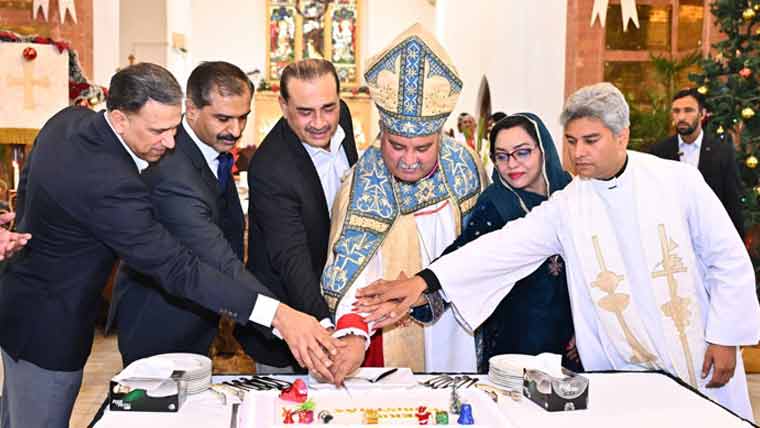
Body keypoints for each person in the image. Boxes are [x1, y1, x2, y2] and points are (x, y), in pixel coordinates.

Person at [356, 82, 760, 420]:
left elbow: (727, 260)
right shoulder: (570, 204)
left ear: (621, 135)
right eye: (571, 141)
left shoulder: (677, 182)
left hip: (695, 351)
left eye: (591, 140)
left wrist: (726, 337)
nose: (578, 152)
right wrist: (425, 280)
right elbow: (502, 247)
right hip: (624, 363)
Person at [0, 63, 341, 428]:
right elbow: (179, 267)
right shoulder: (112, 184)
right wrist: (278, 315)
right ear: (120, 119)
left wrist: (21, 223)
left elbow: (34, 179)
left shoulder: (69, 121)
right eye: (158, 131)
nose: (170, 142)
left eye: (174, 127)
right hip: (48, 328)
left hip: (17, 299)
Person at [320, 24, 486, 384]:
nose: (409, 160)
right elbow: (349, 269)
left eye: (423, 148)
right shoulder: (364, 179)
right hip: (390, 330)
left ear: (439, 137)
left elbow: (484, 250)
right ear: (382, 134)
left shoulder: (465, 167)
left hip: (459, 321)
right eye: (397, 146)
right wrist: (353, 331)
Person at [108, 61, 291, 369]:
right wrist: (284, 321)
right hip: (161, 323)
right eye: (223, 118)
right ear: (191, 110)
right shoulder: (172, 169)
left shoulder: (209, 152)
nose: (235, 130)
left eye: (242, 117)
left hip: (199, 315)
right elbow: (219, 260)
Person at [432, 113, 577, 373]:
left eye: (522, 152)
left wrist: (590, 329)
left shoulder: (572, 193)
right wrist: (423, 287)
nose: (511, 164)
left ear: (543, 150)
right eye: (501, 156)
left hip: (573, 336)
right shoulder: (495, 203)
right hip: (516, 336)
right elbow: (466, 255)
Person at [244, 59, 358, 373]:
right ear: (283, 106)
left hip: (340, 301)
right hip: (289, 321)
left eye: (328, 108)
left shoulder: (344, 117)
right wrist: (327, 329)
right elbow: (291, 258)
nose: (320, 122)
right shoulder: (270, 167)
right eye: (305, 112)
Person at [649, 88, 744, 235]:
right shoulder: (659, 152)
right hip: (673, 236)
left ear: (702, 114)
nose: (681, 117)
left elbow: (732, 203)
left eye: (688, 110)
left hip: (712, 235)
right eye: (676, 111)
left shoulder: (722, 152)